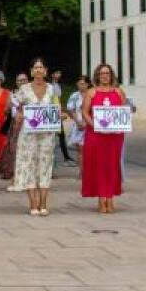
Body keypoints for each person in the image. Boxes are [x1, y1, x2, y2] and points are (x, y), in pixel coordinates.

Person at [13, 58, 61, 216]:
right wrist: (19, 115)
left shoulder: (52, 89)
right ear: (32, 71)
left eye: (41, 67)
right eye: (36, 67)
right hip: (28, 135)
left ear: (45, 70)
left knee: (45, 165)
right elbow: (16, 107)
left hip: (47, 135)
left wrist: (61, 115)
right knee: (29, 166)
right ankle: (33, 202)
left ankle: (44, 202)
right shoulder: (24, 89)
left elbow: (56, 107)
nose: (39, 70)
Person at [81, 64, 126, 213]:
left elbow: (123, 113)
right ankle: (101, 199)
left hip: (114, 136)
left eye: (107, 73)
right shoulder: (91, 92)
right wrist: (94, 124)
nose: (105, 76)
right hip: (96, 134)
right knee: (98, 165)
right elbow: (85, 112)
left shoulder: (119, 92)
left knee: (112, 165)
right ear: (97, 76)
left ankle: (111, 198)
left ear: (111, 75)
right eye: (102, 73)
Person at [0, 72, 29, 183]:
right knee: (13, 149)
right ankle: (14, 174)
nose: (21, 82)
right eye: (19, 80)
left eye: (24, 80)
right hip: (15, 124)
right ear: (16, 82)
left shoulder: (31, 93)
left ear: (27, 81)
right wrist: (9, 105)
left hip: (28, 124)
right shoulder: (12, 94)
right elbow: (6, 111)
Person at [50, 69, 76, 166]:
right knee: (53, 136)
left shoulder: (58, 85)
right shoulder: (49, 85)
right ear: (52, 74)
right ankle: (54, 159)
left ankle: (66, 156)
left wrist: (62, 111)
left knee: (61, 135)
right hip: (52, 113)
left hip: (58, 111)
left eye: (59, 73)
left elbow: (58, 100)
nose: (59, 74)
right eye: (56, 73)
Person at [65, 75, 91, 168]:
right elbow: (71, 109)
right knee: (80, 149)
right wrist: (77, 122)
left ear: (88, 84)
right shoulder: (74, 96)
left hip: (90, 124)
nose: (81, 86)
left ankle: (89, 170)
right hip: (78, 124)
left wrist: (86, 122)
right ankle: (82, 171)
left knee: (89, 150)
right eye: (79, 84)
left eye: (83, 84)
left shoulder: (91, 94)